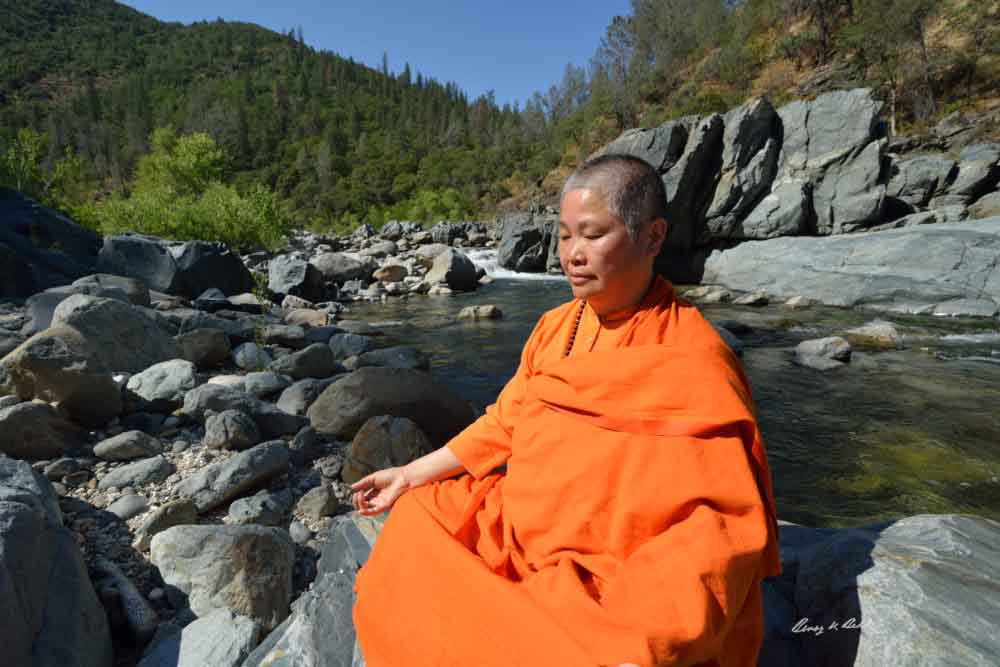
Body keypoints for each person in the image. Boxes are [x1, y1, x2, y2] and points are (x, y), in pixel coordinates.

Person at [349, 153, 782, 667]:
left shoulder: (696, 356)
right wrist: (411, 473)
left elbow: (720, 524)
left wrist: (657, 634)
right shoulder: (557, 326)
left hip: (612, 562)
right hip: (521, 530)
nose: (572, 255)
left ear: (653, 237)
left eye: (593, 235)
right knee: (421, 515)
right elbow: (506, 420)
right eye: (563, 236)